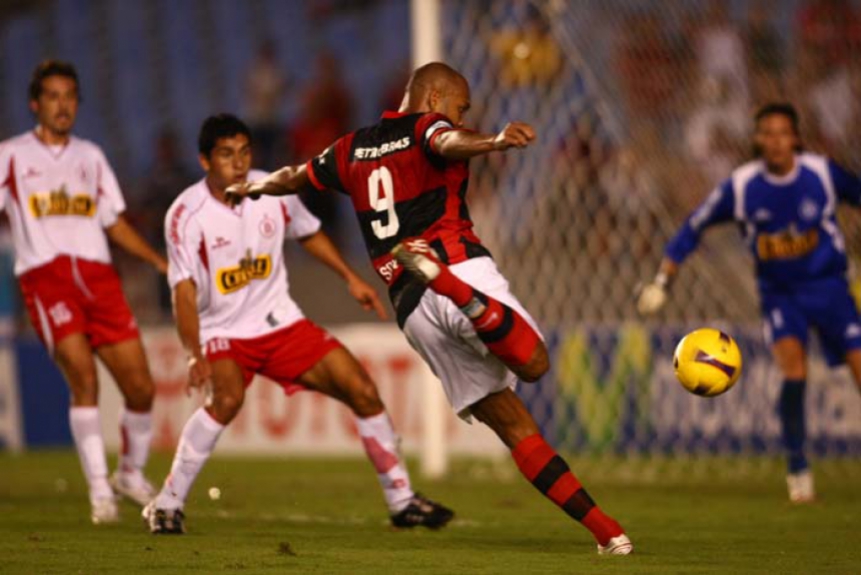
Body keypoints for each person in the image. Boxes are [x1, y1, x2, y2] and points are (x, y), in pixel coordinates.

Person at [227, 63, 632, 556]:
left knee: (512, 425)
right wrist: (494, 140)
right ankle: (454, 288)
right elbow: (444, 143)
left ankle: (607, 534)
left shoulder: (349, 147)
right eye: (460, 109)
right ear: (435, 96)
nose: (462, 117)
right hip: (454, 265)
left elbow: (295, 176)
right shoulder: (428, 126)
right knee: (534, 362)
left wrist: (252, 187)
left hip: (411, 309)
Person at [145, 114, 453, 534]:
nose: (237, 163)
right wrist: (192, 352)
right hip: (224, 332)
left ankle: (402, 501)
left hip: (282, 324)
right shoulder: (186, 214)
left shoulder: (271, 189)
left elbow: (308, 232)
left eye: (244, 152)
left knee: (361, 389)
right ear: (205, 162)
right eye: (225, 154)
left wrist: (350, 278)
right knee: (227, 399)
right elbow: (182, 291)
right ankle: (167, 503)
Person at [637, 103, 861, 503]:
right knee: (794, 371)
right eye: (767, 134)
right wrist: (663, 280)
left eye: (782, 133)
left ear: (796, 138)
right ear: (757, 140)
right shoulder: (742, 186)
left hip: (829, 287)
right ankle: (797, 469)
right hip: (780, 295)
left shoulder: (822, 174)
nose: (775, 141)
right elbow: (693, 227)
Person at [0, 60, 167, 523]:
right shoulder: (11, 154)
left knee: (141, 386)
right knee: (84, 378)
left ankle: (129, 474)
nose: (62, 105)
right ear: (36, 104)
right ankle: (99, 492)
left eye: (70, 96)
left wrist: (155, 259)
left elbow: (112, 220)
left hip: (98, 278)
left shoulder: (90, 156)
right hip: (46, 278)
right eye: (53, 96)